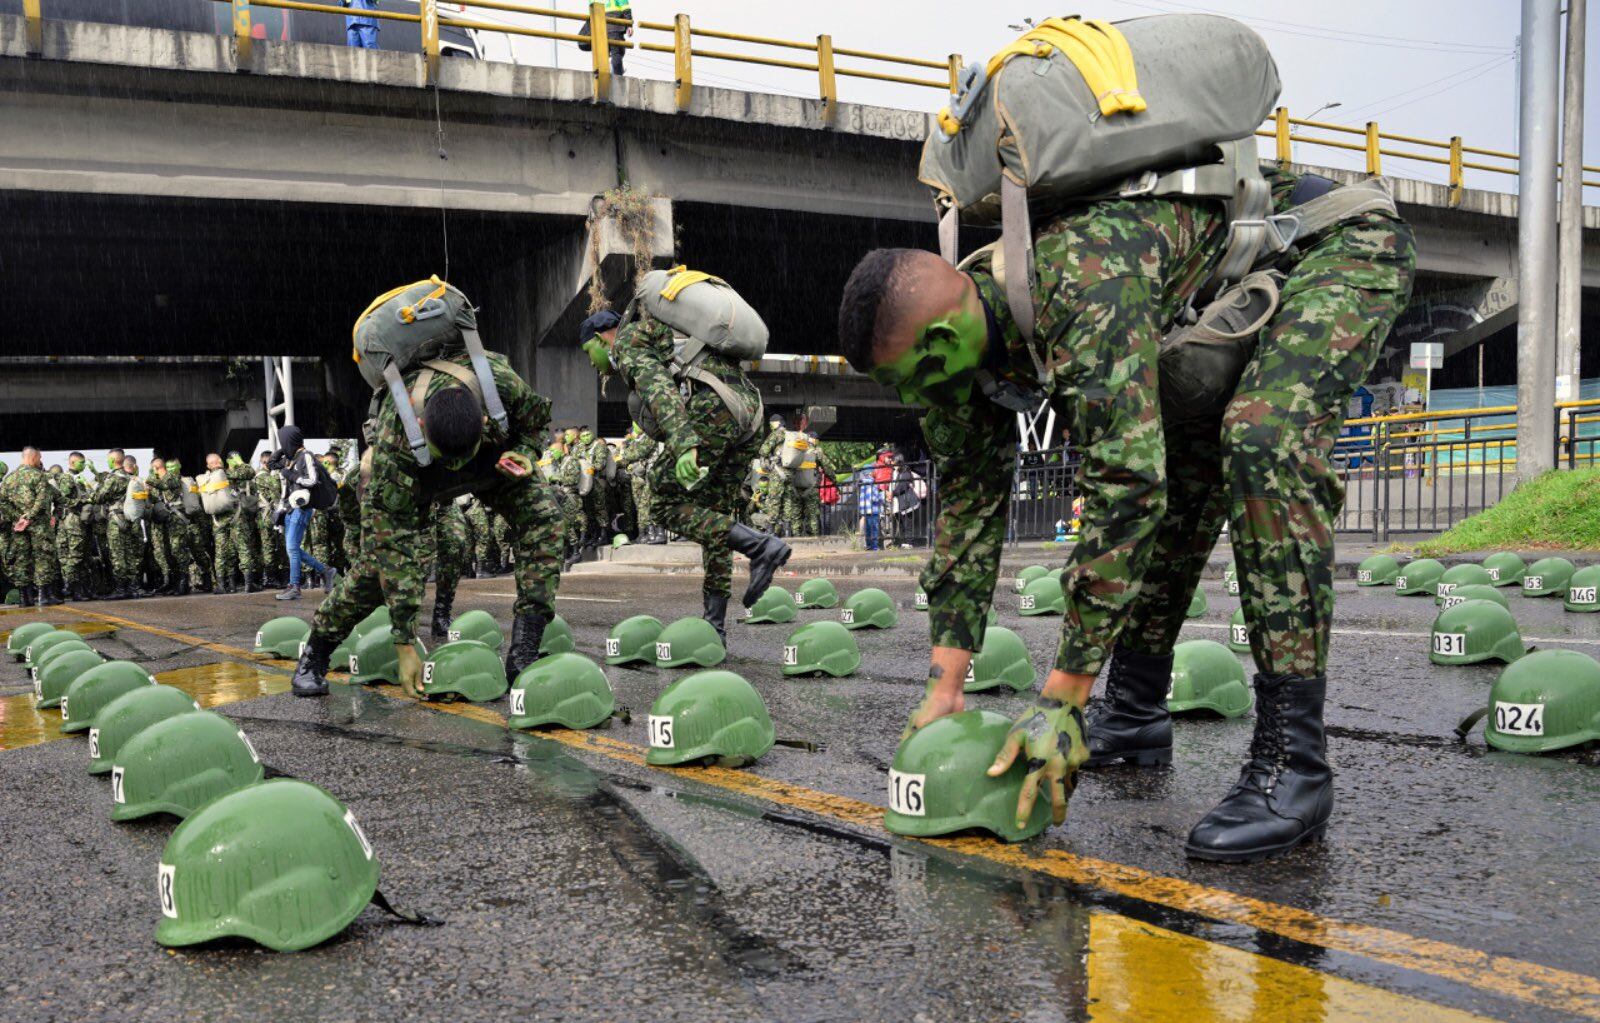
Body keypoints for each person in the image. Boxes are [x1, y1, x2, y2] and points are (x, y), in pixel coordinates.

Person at [836, 165, 1414, 862]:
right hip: (1217, 302)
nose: (914, 401)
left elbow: (1124, 489)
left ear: (936, 348)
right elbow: (967, 508)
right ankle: (1136, 711)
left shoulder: (1080, 281)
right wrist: (944, 685)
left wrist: (1062, 697)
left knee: (1265, 437)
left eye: (910, 383)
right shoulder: (955, 359)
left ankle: (1293, 766)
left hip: (1332, 245)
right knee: (1179, 463)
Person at [289, 283, 565, 699]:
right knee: (373, 575)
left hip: (492, 464)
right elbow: (394, 549)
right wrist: (404, 641)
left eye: (459, 456)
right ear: (421, 428)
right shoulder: (395, 437)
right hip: (417, 480)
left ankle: (525, 649)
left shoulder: (498, 382)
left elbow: (536, 423)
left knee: (545, 518)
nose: (454, 468)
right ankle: (315, 653)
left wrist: (526, 454)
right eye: (446, 457)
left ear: (484, 417)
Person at [580, 307, 791, 640]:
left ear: (599, 339)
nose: (591, 363)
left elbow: (658, 389)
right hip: (750, 415)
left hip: (714, 408)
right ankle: (715, 629)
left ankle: (761, 547)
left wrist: (684, 442)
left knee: (661, 501)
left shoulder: (628, 340)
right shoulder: (670, 336)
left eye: (587, 352)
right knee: (714, 516)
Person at [272, 426, 337, 602]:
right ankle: (326, 571)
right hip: (288, 508)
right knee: (292, 549)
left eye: (283, 441)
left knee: (292, 548)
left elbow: (312, 480)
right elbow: (271, 463)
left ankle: (294, 587)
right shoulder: (290, 458)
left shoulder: (305, 456)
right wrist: (281, 451)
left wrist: (291, 475)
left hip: (301, 508)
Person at [0, 447, 63, 607]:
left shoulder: (9, 479)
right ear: (34, 457)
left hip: (19, 527)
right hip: (39, 526)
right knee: (43, 557)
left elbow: (2, 502)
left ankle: (25, 598)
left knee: (22, 559)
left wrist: (18, 518)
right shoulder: (38, 476)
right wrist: (30, 517)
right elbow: (42, 500)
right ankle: (44, 596)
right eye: (39, 457)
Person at [856, 462, 884, 551]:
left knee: (868, 529)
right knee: (874, 529)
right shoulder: (873, 483)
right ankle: (874, 546)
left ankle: (868, 545)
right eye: (874, 471)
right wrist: (882, 495)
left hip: (865, 509)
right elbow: (874, 498)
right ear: (871, 472)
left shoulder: (862, 484)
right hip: (873, 509)